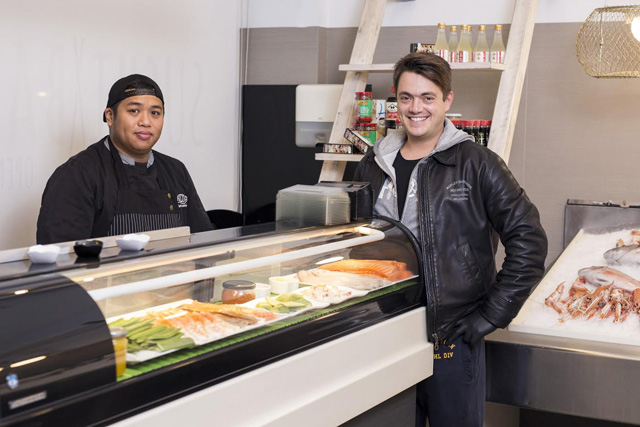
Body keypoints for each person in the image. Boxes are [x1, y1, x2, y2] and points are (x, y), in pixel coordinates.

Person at [353, 53, 548, 427]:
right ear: (396, 101)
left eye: (428, 97)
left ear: (447, 100)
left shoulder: (478, 163)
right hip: (386, 328)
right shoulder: (373, 163)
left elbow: (530, 240)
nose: (416, 108)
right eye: (406, 97)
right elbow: (356, 236)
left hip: (453, 334)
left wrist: (490, 315)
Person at [36, 74, 213, 244]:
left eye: (155, 113)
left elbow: (203, 243)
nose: (146, 122)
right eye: (134, 111)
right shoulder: (77, 175)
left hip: (171, 267)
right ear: (110, 116)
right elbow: (62, 256)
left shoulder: (176, 170)